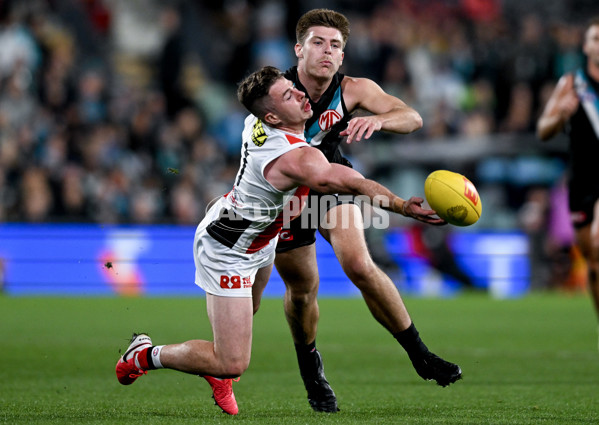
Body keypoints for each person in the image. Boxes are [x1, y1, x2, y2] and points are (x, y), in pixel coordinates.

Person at [115, 65, 446, 415]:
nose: (301, 94)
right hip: (230, 251)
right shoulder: (297, 157)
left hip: (257, 235)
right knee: (231, 361)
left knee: (250, 308)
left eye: (293, 87)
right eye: (289, 95)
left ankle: (215, 361)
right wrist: (400, 205)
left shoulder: (257, 121)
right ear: (272, 115)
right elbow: (351, 183)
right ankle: (145, 354)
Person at [252, 9, 462, 413]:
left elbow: (413, 117)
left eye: (335, 46)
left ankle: (420, 354)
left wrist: (379, 122)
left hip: (334, 184)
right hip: (286, 195)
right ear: (298, 49)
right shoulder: (275, 93)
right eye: (317, 42)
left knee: (359, 264)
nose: (326, 52)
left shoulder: (353, 89)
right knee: (301, 292)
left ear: (343, 56)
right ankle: (311, 370)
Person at [537, 17, 599, 344]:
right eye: (595, 39)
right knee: (593, 263)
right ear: (587, 46)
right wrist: (561, 113)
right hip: (584, 180)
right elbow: (544, 130)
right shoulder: (572, 85)